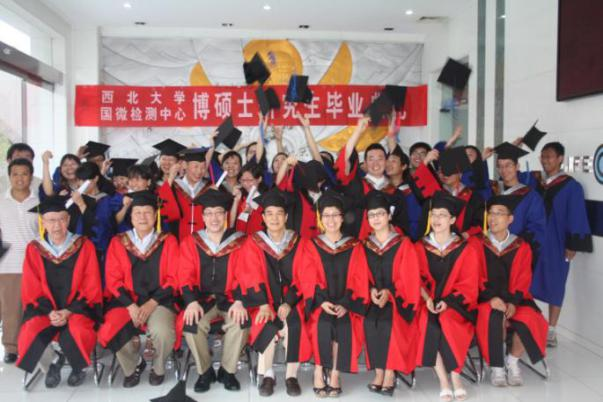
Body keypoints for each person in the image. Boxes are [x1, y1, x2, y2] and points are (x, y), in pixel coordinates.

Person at [17, 195, 102, 388]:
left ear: (68, 220)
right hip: (45, 309)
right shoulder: (34, 249)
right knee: (30, 332)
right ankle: (52, 364)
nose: (57, 225)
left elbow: (91, 285)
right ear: (43, 222)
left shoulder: (84, 246)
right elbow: (30, 286)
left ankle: (77, 367)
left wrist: (69, 311)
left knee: (78, 330)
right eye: (51, 220)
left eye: (61, 219)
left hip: (78, 309)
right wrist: (50, 312)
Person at [97, 191, 178, 388]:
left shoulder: (168, 241)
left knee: (163, 331)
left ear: (155, 215)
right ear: (131, 217)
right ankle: (133, 366)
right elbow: (113, 279)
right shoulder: (118, 241)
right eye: (137, 213)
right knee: (109, 329)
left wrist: (152, 303)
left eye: (147, 212)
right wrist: (130, 305)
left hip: (160, 300)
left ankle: (158, 367)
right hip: (127, 301)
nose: (142, 217)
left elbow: (174, 277)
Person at [238, 188, 311, 397]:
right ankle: (268, 375)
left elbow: (305, 275)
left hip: (293, 301)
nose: (274, 218)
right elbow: (250, 274)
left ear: (286, 217)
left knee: (294, 324)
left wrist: (289, 302)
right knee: (264, 323)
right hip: (264, 301)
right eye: (269, 213)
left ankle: (291, 376)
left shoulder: (299, 242)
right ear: (262, 217)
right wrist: (263, 304)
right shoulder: (254, 242)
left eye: (279, 213)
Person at [179, 189, 250, 393]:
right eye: (209, 213)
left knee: (240, 323)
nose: (214, 218)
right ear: (202, 217)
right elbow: (184, 274)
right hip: (202, 299)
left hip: (231, 298)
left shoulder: (240, 241)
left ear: (226, 214)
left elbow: (246, 273)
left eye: (219, 212)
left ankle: (228, 371)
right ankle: (205, 371)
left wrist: (240, 301)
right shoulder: (191, 241)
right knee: (191, 324)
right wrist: (191, 301)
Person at [476, 195, 548, 387]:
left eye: (499, 213)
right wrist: (491, 298)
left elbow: (524, 278)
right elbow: (473, 276)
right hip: (485, 298)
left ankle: (512, 362)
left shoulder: (521, 246)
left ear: (510, 219)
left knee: (530, 319)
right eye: (491, 213)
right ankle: (497, 367)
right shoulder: (477, 244)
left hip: (516, 298)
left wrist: (513, 303)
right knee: (494, 317)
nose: (493, 218)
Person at [353, 191, 421, 396]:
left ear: (389, 215)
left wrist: (390, 293)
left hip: (398, 300)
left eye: (380, 214)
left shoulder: (403, 243)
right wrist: (371, 290)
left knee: (388, 322)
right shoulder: (364, 245)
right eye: (372, 215)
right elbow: (359, 275)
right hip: (372, 299)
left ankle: (390, 373)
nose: (376, 218)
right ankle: (379, 372)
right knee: (370, 321)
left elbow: (409, 278)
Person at [415, 191, 480, 402]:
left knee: (448, 321)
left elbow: (469, 283)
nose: (437, 219)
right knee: (427, 322)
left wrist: (448, 302)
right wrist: (427, 299)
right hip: (426, 302)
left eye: (442, 215)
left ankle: (456, 377)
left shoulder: (465, 249)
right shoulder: (420, 247)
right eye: (434, 214)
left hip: (456, 304)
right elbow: (414, 279)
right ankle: (444, 381)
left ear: (452, 220)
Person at [302, 190, 367, 397]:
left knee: (344, 325)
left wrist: (346, 303)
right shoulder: (311, 245)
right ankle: (319, 370)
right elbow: (307, 276)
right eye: (326, 215)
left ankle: (336, 374)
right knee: (322, 324)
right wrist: (321, 301)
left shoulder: (354, 245)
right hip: (320, 302)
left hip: (346, 303)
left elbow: (360, 277)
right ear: (320, 219)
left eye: (335, 215)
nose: (331, 220)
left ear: (342, 218)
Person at [529, 142, 592, 347]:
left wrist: (572, 245)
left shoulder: (571, 186)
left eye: (549, 156)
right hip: (534, 241)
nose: (545, 160)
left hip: (556, 243)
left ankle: (551, 330)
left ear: (560, 159)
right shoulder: (538, 183)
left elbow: (576, 215)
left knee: (556, 284)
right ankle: (528, 324)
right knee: (528, 281)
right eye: (543, 156)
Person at [0, 158, 39, 363]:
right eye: (15, 174)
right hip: (8, 263)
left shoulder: (38, 202)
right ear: (9, 177)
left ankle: (33, 343)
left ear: (31, 176)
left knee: (34, 307)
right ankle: (11, 348)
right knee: (10, 309)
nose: (20, 178)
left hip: (34, 264)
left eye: (24, 174)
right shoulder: (1, 202)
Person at [159, 148, 212, 240]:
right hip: (178, 239)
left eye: (203, 167)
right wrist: (170, 178)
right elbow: (164, 211)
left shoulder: (210, 187)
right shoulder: (174, 186)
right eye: (195, 166)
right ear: (184, 165)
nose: (199, 171)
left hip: (204, 241)